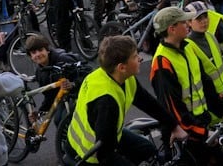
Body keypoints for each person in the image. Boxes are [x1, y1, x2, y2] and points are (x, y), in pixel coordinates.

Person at [68, 34, 186, 166]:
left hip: (105, 135)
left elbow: (148, 103)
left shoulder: (121, 76)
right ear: (121, 67)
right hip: (88, 152)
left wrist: (174, 125)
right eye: (135, 57)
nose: (140, 58)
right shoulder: (107, 101)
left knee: (148, 149)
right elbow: (105, 155)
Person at [150, 7, 223, 164]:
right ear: (172, 29)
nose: (188, 24)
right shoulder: (162, 63)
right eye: (183, 22)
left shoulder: (187, 46)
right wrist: (202, 133)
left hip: (200, 122)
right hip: (187, 133)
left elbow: (205, 84)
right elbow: (173, 109)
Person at [24, 33, 80, 125]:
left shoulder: (63, 59)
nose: (38, 54)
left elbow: (87, 72)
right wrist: (40, 112)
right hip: (65, 97)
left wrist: (73, 84)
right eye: (33, 53)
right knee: (58, 120)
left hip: (79, 92)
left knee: (63, 119)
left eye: (40, 50)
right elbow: (49, 96)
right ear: (31, 57)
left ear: (47, 50)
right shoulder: (40, 72)